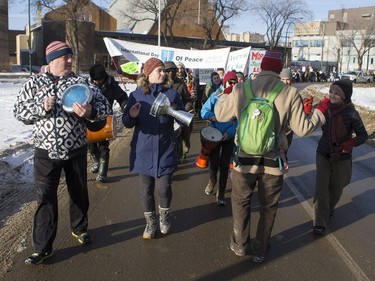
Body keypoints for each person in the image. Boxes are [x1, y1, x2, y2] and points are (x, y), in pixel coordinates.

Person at [214, 50, 330, 263]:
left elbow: (220, 115)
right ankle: (260, 249)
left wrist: (227, 92)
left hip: (243, 160)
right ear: (279, 70)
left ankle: (239, 244)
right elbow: (302, 129)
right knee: (268, 208)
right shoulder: (290, 93)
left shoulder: (242, 88)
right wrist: (320, 112)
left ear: (262, 66)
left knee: (241, 202)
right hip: (272, 162)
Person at [13, 41, 111, 265]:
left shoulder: (80, 82)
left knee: (78, 191)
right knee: (45, 198)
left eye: (70, 57)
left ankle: (79, 228)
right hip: (45, 151)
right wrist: (41, 108)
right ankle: (43, 247)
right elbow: (18, 111)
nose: (69, 61)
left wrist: (90, 111)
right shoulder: (34, 83)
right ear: (51, 60)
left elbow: (105, 106)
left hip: (75, 148)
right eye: (64, 57)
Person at [122, 58, 185, 239]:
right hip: (143, 151)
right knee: (146, 190)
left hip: (166, 149)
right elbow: (126, 123)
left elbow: (183, 119)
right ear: (148, 73)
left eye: (164, 70)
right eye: (159, 70)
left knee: (163, 188)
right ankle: (150, 223)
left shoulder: (172, 94)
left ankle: (164, 216)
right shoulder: (136, 95)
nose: (163, 73)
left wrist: (174, 113)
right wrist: (132, 116)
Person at [312, 79, 368, 235]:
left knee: (336, 188)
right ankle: (320, 222)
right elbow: (311, 122)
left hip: (342, 156)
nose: (332, 95)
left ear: (345, 96)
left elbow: (363, 135)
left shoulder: (351, 113)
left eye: (337, 93)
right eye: (331, 91)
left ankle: (329, 208)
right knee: (321, 188)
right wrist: (308, 108)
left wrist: (350, 143)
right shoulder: (324, 108)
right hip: (323, 153)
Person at [201, 71, 238, 206]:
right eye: (230, 82)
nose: (232, 84)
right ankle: (212, 182)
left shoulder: (239, 98)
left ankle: (221, 192)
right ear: (224, 83)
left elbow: (240, 120)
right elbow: (203, 111)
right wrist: (211, 116)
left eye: (235, 82)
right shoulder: (215, 96)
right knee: (214, 162)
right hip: (214, 135)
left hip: (228, 137)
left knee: (224, 165)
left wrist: (230, 132)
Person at [87, 63, 128, 182]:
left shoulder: (111, 84)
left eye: (99, 80)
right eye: (94, 80)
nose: (96, 82)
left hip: (105, 119)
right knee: (91, 146)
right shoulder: (86, 83)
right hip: (89, 118)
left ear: (103, 78)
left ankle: (102, 172)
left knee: (103, 147)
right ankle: (97, 163)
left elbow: (122, 96)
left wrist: (124, 105)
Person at [164, 61, 193, 161]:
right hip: (165, 116)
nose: (170, 73)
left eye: (173, 70)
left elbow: (188, 99)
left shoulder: (181, 84)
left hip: (180, 115)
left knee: (183, 136)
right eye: (168, 71)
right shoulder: (161, 84)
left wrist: (185, 109)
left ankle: (182, 153)